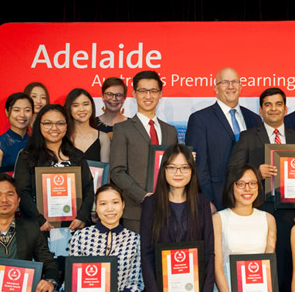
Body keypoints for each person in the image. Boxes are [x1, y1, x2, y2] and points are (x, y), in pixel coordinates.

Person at [228, 87, 295, 292]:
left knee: (291, 264)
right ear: (260, 110)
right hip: (262, 209)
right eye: (268, 105)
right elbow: (233, 171)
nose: (273, 109)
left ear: (286, 109)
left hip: (294, 212)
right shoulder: (248, 137)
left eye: (278, 104)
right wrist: (256, 172)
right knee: (268, 264)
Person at [140, 144, 215, 292]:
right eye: (172, 168)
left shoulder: (202, 203)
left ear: (192, 171)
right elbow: (146, 254)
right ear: (163, 171)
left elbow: (210, 251)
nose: (178, 173)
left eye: (184, 168)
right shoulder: (150, 204)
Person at [210, 164, 277, 292]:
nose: (247, 189)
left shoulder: (268, 219)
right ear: (231, 186)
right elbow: (217, 266)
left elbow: (268, 266)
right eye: (241, 184)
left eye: (252, 183)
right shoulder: (219, 219)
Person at [110, 71, 178, 233]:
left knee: (164, 257)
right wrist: (143, 196)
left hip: (168, 210)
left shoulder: (170, 131)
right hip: (136, 212)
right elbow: (117, 171)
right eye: (142, 91)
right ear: (134, 94)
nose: (148, 96)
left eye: (153, 91)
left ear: (161, 94)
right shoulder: (122, 129)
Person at [185, 67, 262, 210]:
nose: (231, 86)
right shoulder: (200, 119)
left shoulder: (254, 119)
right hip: (216, 200)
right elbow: (198, 167)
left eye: (235, 82)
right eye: (225, 82)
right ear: (215, 88)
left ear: (240, 86)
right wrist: (207, 201)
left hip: (251, 202)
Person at [14, 104, 94, 232]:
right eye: (47, 123)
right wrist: (39, 220)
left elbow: (88, 189)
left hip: (74, 227)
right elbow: (22, 192)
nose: (54, 128)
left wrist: (82, 217)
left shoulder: (77, 156)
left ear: (67, 125)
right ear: (39, 126)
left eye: (60, 123)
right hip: (39, 228)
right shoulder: (27, 156)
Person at [0, 92, 33, 176]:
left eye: (27, 110)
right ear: (7, 112)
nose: (22, 115)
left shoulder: (35, 142)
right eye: (16, 110)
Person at [64, 88, 110, 163]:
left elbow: (105, 171)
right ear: (69, 109)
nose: (81, 109)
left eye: (86, 104)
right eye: (75, 105)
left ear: (92, 106)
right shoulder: (63, 137)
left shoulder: (103, 137)